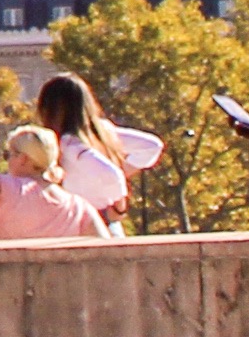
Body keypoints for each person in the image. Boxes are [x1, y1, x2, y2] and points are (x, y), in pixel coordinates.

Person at [31, 74, 164, 231]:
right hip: (107, 222)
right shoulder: (101, 133)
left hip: (81, 223)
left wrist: (119, 204)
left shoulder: (70, 144)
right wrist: (124, 173)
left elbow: (111, 174)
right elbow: (151, 146)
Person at [0, 122, 108, 242]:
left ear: (23, 158)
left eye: (8, 155)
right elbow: (105, 247)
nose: (8, 161)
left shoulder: (0, 188)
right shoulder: (77, 207)